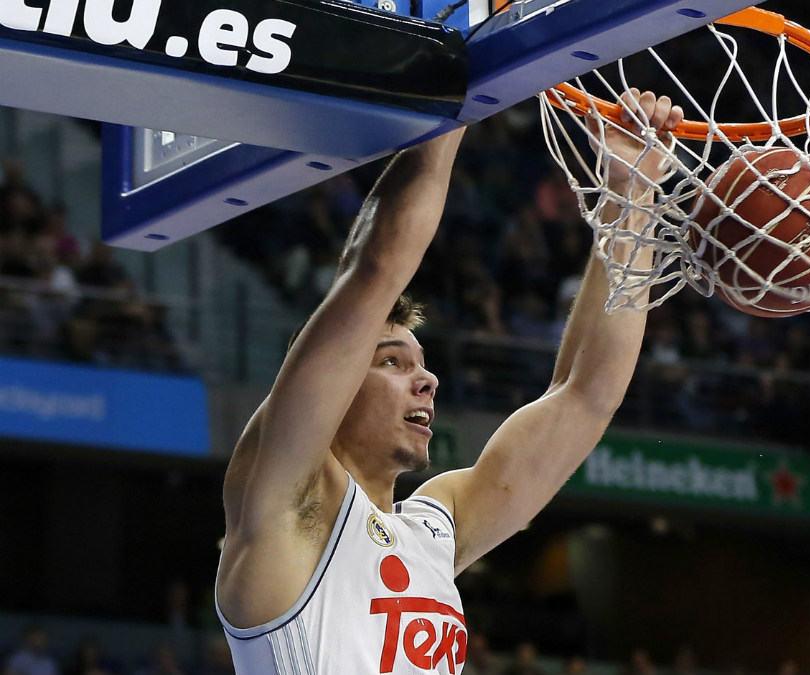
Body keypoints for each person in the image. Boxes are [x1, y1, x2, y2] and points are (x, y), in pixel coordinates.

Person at [214, 90, 684, 674]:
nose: (427, 379)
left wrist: (630, 193)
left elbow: (586, 395)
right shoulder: (287, 500)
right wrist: (460, 95)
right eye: (392, 362)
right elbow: (374, 270)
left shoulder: (436, 526)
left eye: (421, 363)